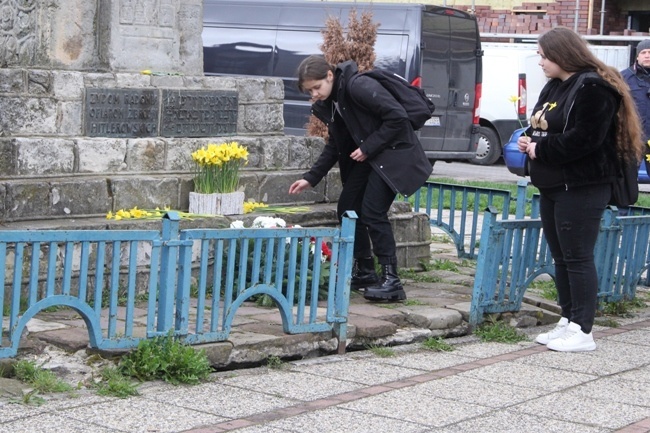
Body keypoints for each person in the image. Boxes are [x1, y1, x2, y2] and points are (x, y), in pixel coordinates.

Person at [517, 27, 644, 352]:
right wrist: (528, 139)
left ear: (562, 55)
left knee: (577, 256)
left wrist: (538, 150)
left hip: (583, 185)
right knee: (560, 256)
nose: (540, 61)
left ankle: (583, 329)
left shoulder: (594, 87)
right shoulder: (556, 85)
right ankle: (568, 319)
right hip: (553, 184)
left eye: (544, 56)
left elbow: (586, 139)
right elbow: (540, 125)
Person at [288, 55, 433, 302]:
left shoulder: (358, 87)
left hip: (395, 153)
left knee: (373, 211)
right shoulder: (331, 103)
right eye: (309, 90)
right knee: (348, 208)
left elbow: (397, 117)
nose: (314, 94)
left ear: (330, 76)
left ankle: (391, 280)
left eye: (317, 87)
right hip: (372, 157)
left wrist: (368, 147)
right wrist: (311, 178)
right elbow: (336, 144)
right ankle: (364, 270)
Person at [622, 39, 650, 175]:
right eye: (643, 52)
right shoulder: (624, 78)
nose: (647, 55)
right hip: (632, 137)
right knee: (628, 178)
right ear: (637, 56)